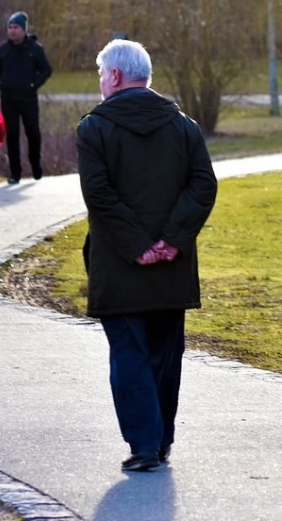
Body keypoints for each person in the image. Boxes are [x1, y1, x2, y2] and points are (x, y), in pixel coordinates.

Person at [76, 39, 217, 472]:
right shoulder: (184, 127)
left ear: (115, 76)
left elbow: (99, 195)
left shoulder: (93, 129)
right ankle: (160, 440)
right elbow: (203, 185)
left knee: (129, 355)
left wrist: (139, 246)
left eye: (102, 74)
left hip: (119, 266)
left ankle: (144, 443)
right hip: (172, 269)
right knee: (164, 354)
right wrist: (171, 241)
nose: (101, 83)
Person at [0, 11, 52, 184]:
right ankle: (15, 173)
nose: (12, 31)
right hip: (8, 99)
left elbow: (46, 70)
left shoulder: (35, 49)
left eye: (16, 28)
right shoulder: (3, 51)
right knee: (12, 135)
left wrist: (33, 84)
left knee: (33, 133)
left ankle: (35, 165)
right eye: (10, 27)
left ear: (23, 30)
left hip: (28, 98)